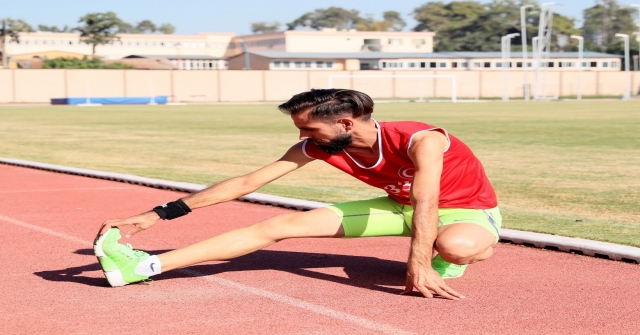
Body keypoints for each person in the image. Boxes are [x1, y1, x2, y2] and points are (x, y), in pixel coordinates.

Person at [95, 89, 500, 300]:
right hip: (399, 208)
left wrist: (417, 264)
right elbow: (245, 184)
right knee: (279, 224)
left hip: (465, 212)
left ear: (344, 122)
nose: (303, 138)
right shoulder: (318, 147)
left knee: (456, 246)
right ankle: (144, 268)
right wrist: (158, 214)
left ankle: (447, 262)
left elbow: (428, 201)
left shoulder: (420, 139)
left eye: (309, 130)